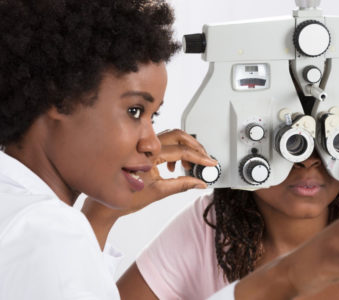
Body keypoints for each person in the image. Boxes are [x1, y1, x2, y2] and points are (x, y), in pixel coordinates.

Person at [0, 0, 218, 299]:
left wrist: (99, 218)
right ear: (60, 98)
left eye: (152, 117)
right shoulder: (49, 231)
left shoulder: (19, 211)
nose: (153, 144)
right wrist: (276, 280)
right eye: (134, 111)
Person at [117, 152, 339, 300]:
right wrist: (104, 212)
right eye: (289, 140)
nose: (308, 159)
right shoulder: (209, 227)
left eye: (326, 138)